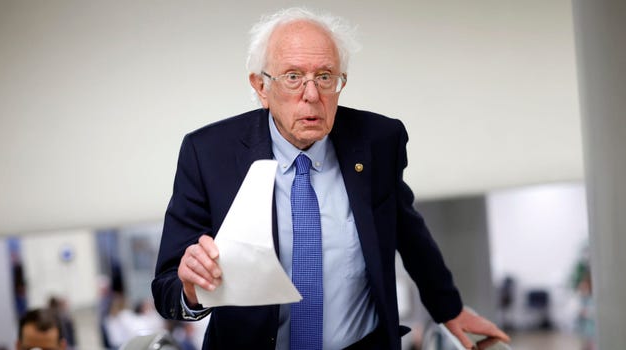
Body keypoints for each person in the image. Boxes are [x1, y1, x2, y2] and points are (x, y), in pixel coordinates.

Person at [152, 7, 510, 350]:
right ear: (261, 87)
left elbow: (408, 232)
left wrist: (450, 310)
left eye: (325, 77)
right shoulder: (209, 154)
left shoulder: (378, 141)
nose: (312, 95)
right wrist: (191, 290)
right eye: (293, 77)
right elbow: (167, 288)